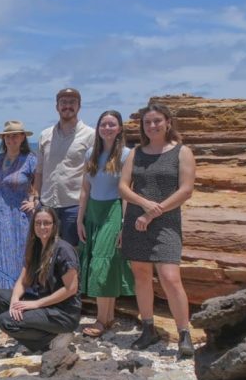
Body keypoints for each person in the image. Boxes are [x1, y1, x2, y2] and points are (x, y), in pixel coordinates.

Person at [119, 103, 196, 357]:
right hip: (136, 221)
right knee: (141, 275)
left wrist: (153, 211)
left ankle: (184, 334)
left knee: (170, 278)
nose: (152, 126)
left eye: (157, 121)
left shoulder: (182, 152)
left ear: (168, 122)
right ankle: (148, 328)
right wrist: (143, 205)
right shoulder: (136, 153)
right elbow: (123, 187)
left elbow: (185, 190)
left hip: (166, 222)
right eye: (147, 122)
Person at [77, 111, 136, 338]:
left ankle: (100, 321)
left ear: (120, 128)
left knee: (101, 265)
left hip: (113, 211)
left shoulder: (127, 155)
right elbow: (85, 189)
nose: (107, 128)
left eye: (112, 124)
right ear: (98, 128)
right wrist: (80, 219)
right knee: (103, 262)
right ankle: (108, 316)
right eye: (104, 124)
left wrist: (124, 224)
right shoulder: (91, 153)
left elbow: (127, 193)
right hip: (93, 211)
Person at [0, 207, 82, 352]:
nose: (42, 227)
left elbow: (70, 289)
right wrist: (15, 300)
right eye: (38, 223)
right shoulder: (36, 247)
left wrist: (35, 304)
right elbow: (23, 280)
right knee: (0, 296)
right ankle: (39, 335)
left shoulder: (63, 250)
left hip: (63, 313)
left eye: (46, 223)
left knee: (5, 321)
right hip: (44, 303)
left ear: (54, 225)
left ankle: (49, 341)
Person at [33, 88, 95, 246]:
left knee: (71, 252)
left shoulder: (91, 136)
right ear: (57, 106)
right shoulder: (45, 135)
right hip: (47, 204)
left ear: (79, 106)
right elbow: (39, 170)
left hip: (73, 206)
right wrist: (36, 198)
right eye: (63, 102)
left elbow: (93, 174)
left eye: (72, 102)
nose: (67, 106)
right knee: (45, 249)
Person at [0, 120, 37, 291]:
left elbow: (39, 185)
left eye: (15, 136)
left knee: (16, 255)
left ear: (22, 137)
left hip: (17, 217)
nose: (11, 139)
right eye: (8, 136)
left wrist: (34, 201)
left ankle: (16, 293)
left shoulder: (30, 160)